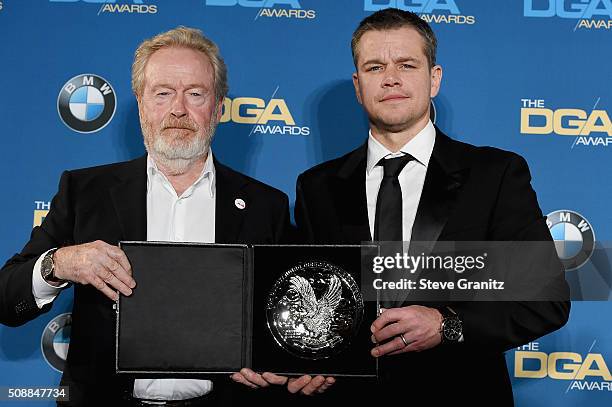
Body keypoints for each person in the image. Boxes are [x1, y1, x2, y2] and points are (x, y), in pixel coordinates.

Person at [0, 27, 292, 406]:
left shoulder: (266, 206)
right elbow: (7, 300)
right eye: (163, 93)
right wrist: (59, 263)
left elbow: (287, 319)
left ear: (218, 107)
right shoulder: (84, 192)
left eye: (196, 94)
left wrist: (271, 359)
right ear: (140, 104)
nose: (178, 109)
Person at [293, 8, 570, 405]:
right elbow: (311, 302)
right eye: (374, 67)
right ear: (358, 85)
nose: (390, 78)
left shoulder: (495, 175)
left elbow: (547, 299)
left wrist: (448, 324)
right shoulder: (316, 187)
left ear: (434, 78)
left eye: (406, 64)